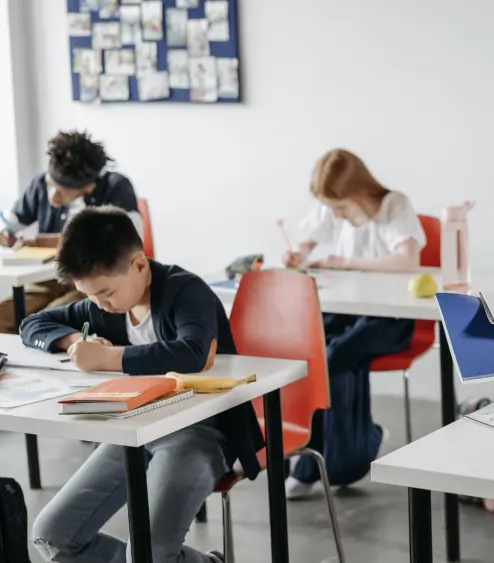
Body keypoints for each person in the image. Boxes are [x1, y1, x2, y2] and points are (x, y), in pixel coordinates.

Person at [21, 206, 261, 563]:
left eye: (105, 292)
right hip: (134, 430)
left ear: (139, 266)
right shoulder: (104, 306)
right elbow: (33, 324)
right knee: (53, 536)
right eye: (90, 296)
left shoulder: (185, 290)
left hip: (201, 430)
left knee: (148, 553)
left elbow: (193, 352)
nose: (99, 305)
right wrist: (72, 340)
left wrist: (108, 358)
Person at [282, 148, 425, 499]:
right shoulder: (333, 206)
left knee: (338, 355)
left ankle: (328, 463)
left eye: (341, 208)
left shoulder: (394, 205)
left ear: (359, 192)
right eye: (331, 208)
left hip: (392, 318)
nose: (335, 215)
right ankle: (352, 445)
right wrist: (298, 254)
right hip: (347, 311)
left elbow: (409, 260)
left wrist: (346, 262)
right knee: (310, 350)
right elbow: (308, 239)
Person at [0, 131, 141, 334]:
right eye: (51, 185)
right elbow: (10, 221)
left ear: (88, 187)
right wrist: (5, 232)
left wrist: (41, 241)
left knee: (44, 322)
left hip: (93, 282)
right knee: (5, 314)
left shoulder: (115, 187)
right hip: (50, 278)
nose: (53, 197)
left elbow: (129, 241)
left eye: (63, 191)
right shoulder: (40, 184)